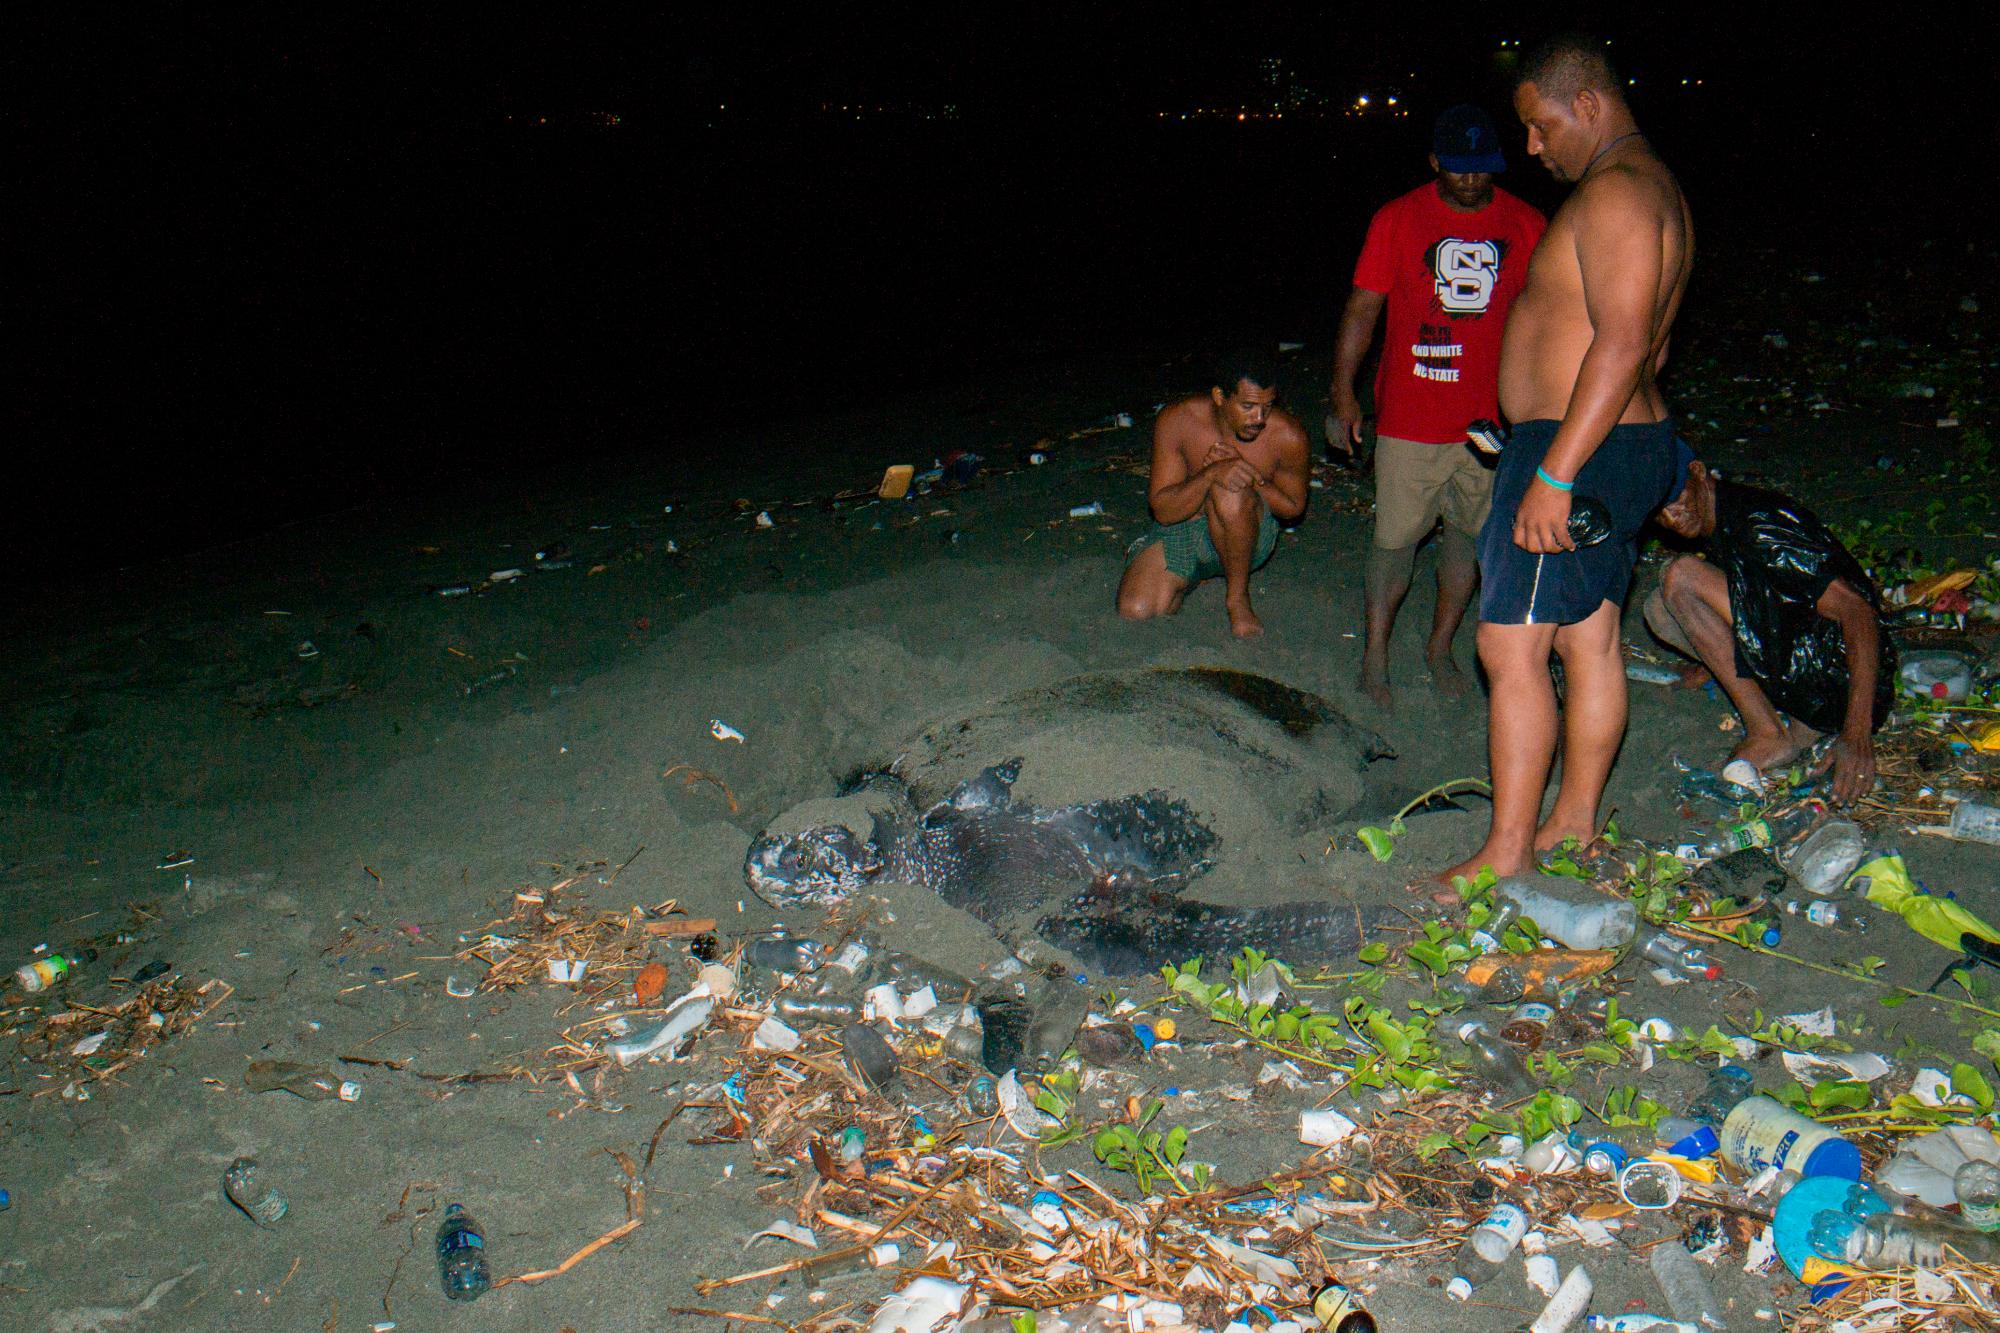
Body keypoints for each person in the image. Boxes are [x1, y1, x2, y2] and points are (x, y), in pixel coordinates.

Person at [1438, 34, 1695, 890]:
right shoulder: (1653, 188)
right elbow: (1649, 353)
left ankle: (1506, 850)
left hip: (1574, 449)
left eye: (1541, 125)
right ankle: (1574, 821)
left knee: (1510, 647)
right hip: (1615, 441)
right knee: (1590, 638)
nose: (1533, 146)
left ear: (1587, 102)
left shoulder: (1619, 194)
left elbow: (1622, 346)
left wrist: (1554, 471)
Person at [1328, 105, 1547, 707]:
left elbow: (1547, 319)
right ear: (1434, 164)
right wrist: (1343, 392)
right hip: (1410, 416)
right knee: (1393, 542)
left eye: (1484, 170)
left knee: (1468, 544)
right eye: (1459, 170)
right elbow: (1363, 308)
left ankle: (1439, 646)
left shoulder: (1527, 224)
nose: (1473, 181)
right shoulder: (1397, 219)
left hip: (1491, 421)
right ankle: (1375, 652)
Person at [1648, 459, 1894, 803]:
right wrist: (1710, 662)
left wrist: (1856, 731)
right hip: (1806, 663)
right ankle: (1800, 720)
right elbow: (1760, 592)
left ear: (1699, 472)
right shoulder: (1721, 512)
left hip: (1836, 679)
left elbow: (1858, 613)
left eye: (1676, 500)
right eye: (1658, 512)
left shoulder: (1758, 522)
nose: (1672, 517)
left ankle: (1769, 731)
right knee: (1658, 609)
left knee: (1683, 577)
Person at [1117, 348, 1309, 639]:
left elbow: (1293, 507)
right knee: (1137, 609)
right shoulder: (1178, 420)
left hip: (1249, 536)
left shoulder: (1287, 434)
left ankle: (1237, 597)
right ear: (1220, 397)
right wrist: (1208, 475)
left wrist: (1246, 472)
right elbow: (1164, 511)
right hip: (1185, 526)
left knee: (1230, 487)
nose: (1259, 417)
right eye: (1248, 406)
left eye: (1267, 407)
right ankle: (1191, 574)